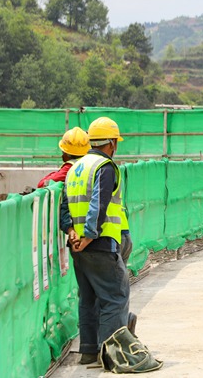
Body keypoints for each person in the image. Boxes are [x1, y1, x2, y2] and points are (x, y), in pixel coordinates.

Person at [60, 117, 129, 365]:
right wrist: (89, 237)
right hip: (99, 243)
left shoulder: (76, 168)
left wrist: (72, 234)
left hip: (78, 247)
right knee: (115, 297)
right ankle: (111, 356)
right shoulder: (104, 167)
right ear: (112, 143)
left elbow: (64, 208)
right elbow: (98, 206)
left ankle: (88, 351)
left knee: (87, 299)